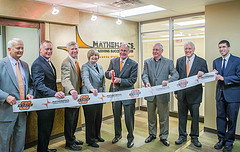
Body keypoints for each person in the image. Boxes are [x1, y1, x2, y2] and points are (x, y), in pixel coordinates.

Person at [142, 43, 179, 146]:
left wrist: (168, 81)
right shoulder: (147, 62)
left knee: (163, 117)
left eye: (157, 50)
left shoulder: (168, 62)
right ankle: (152, 134)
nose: (155, 52)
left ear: (162, 51)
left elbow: (175, 74)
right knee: (151, 116)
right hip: (150, 94)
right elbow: (144, 74)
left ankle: (163, 136)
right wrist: (146, 82)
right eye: (154, 50)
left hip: (163, 95)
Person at [0, 38, 33, 152]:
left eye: (22, 48)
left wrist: (29, 93)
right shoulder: (1, 64)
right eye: (18, 48)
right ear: (9, 49)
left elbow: (30, 85)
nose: (20, 50)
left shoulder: (25, 65)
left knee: (19, 141)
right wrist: (6, 97)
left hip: (23, 110)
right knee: (3, 143)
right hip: (6, 111)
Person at [31, 40, 65, 152]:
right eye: (47, 49)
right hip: (43, 102)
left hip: (49, 102)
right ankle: (42, 150)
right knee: (44, 129)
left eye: (51, 49)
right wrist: (54, 93)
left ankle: (44, 148)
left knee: (48, 128)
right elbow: (39, 85)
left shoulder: (48, 62)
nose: (49, 51)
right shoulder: (37, 64)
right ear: (40, 50)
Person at [175, 41, 208, 147]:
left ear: (194, 49)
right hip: (182, 95)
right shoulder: (179, 61)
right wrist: (176, 91)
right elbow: (177, 78)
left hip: (195, 95)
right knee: (182, 116)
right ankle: (182, 136)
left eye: (189, 49)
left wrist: (203, 74)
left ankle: (194, 137)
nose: (187, 51)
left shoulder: (201, 62)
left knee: (195, 117)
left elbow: (206, 75)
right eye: (186, 49)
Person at [105, 43, 138, 148]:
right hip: (115, 94)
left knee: (129, 118)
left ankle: (130, 138)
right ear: (119, 50)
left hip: (127, 94)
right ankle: (117, 135)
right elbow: (106, 73)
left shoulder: (133, 64)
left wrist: (120, 80)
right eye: (121, 50)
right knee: (116, 116)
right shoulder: (113, 61)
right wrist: (109, 74)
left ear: (129, 52)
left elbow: (132, 80)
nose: (123, 52)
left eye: (125, 51)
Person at [213, 40, 240, 152]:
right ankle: (221, 140)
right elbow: (216, 76)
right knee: (220, 118)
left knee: (232, 120)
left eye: (224, 47)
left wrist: (225, 79)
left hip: (233, 96)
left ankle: (229, 142)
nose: (221, 49)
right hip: (220, 95)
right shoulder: (216, 61)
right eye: (220, 47)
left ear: (229, 48)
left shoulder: (237, 61)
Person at [61, 41, 83, 151]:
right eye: (72, 49)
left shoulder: (75, 61)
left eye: (76, 49)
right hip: (71, 96)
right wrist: (71, 90)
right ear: (68, 50)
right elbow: (65, 80)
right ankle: (69, 143)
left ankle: (72, 138)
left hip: (77, 96)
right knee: (70, 121)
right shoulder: (66, 62)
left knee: (74, 120)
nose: (74, 51)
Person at [81, 49, 105, 148]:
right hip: (89, 96)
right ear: (89, 56)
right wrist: (91, 89)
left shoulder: (100, 66)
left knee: (98, 117)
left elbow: (103, 82)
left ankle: (97, 136)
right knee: (90, 119)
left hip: (99, 96)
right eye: (92, 55)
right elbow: (85, 79)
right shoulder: (85, 67)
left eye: (96, 55)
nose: (94, 57)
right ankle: (90, 140)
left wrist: (104, 96)